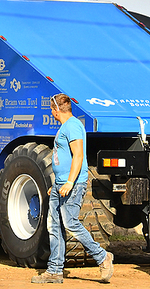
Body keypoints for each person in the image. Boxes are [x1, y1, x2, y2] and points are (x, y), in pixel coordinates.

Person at [32, 93, 114, 284]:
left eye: (52, 110)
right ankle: (54, 271)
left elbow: (78, 156)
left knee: (70, 224)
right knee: (54, 226)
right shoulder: (65, 127)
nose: (51, 113)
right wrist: (58, 183)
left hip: (73, 185)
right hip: (61, 185)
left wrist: (69, 182)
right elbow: (65, 158)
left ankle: (103, 257)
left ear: (56, 109)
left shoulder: (73, 126)